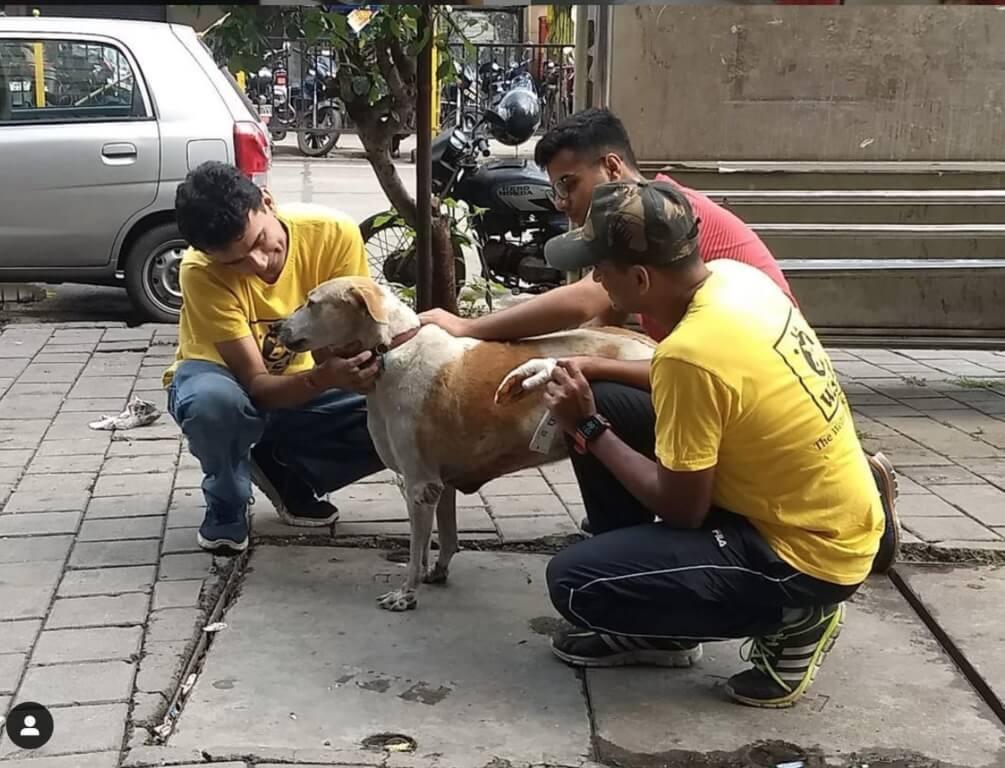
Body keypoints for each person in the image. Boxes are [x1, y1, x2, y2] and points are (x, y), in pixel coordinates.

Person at [419, 107, 899, 556]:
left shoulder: (649, 225)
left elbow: (591, 305)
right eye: (557, 191)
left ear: (611, 167)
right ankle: (850, 483)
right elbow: (601, 325)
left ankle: (631, 550)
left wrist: (468, 327)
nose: (564, 204)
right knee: (588, 384)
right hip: (754, 383)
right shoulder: (664, 211)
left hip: (741, 402)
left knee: (599, 401)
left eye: (570, 184)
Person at [534, 178, 894, 708]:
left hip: (805, 556)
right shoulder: (732, 280)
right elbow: (687, 373)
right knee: (608, 395)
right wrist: (593, 368)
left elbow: (682, 510)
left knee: (576, 582)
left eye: (600, 270)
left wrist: (586, 426)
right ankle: (659, 599)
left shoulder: (691, 354)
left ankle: (795, 620)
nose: (596, 281)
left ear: (638, 277)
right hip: (823, 511)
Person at [163, 161, 384, 555]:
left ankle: (287, 469)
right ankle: (226, 503)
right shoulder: (199, 272)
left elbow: (342, 345)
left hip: (301, 386)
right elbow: (257, 386)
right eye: (234, 262)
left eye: (258, 242)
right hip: (227, 379)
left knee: (394, 401)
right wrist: (326, 378)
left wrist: (346, 372)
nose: (258, 265)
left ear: (267, 202)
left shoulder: (333, 234)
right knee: (216, 405)